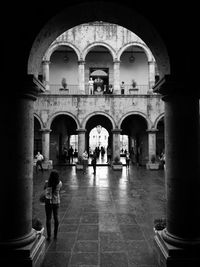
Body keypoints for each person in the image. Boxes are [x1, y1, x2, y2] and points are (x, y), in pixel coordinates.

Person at [44, 169, 62, 241]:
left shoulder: (47, 182)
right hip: (56, 202)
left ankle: (49, 236)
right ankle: (55, 235)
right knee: (56, 217)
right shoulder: (60, 183)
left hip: (48, 202)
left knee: (48, 218)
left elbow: (44, 189)